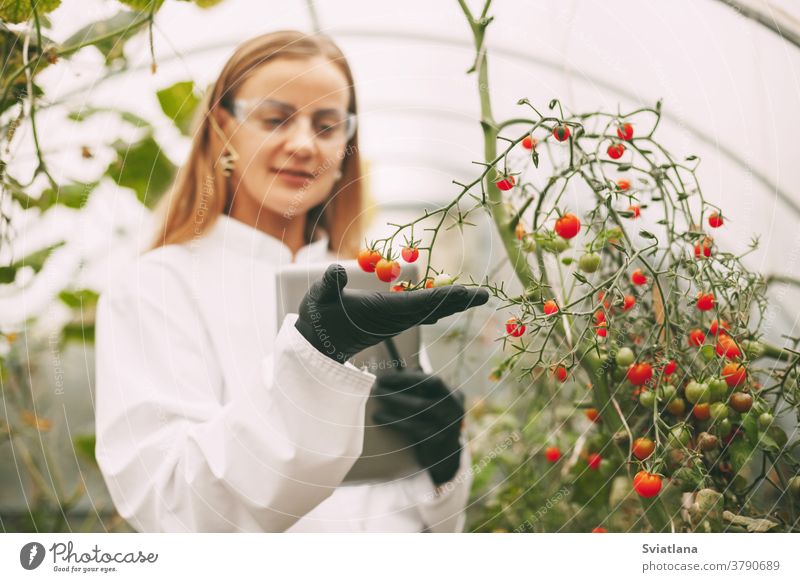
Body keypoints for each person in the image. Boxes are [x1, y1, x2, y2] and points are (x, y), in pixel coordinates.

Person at [94, 30, 489, 533]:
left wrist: (443, 465)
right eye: (275, 118)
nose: (303, 144)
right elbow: (173, 503)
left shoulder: (372, 286)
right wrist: (313, 361)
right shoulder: (157, 287)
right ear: (223, 129)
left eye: (326, 126)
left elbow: (411, 515)